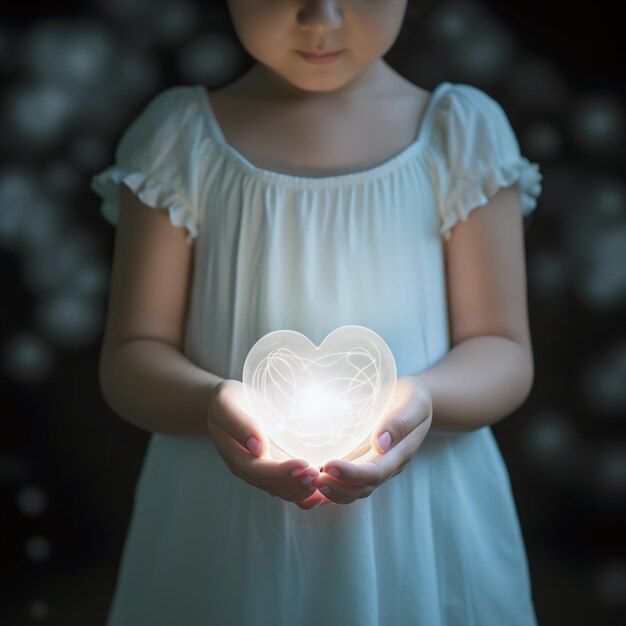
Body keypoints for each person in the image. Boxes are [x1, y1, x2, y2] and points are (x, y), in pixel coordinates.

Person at [91, 0, 543, 624]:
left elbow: (503, 349)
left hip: (420, 519)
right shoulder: (180, 141)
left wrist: (420, 401)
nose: (320, 18)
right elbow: (131, 355)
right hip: (222, 522)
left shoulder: (460, 135)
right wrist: (213, 403)